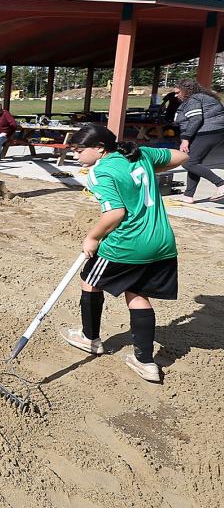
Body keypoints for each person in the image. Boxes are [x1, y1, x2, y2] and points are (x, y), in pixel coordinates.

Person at [61, 123, 188, 383]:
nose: (75, 155)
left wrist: (93, 237)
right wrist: (149, 171)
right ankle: (145, 363)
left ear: (99, 148)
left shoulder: (100, 173)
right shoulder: (140, 154)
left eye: (78, 150)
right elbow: (181, 156)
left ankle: (90, 338)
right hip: (161, 241)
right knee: (137, 293)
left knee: (90, 281)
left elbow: (115, 213)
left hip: (126, 244)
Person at [172, 79, 224, 203]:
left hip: (208, 132)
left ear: (186, 91)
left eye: (178, 92)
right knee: (194, 162)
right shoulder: (202, 97)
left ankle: (221, 184)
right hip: (215, 131)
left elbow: (195, 119)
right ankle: (188, 195)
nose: (176, 95)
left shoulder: (193, 99)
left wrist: (185, 139)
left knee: (188, 162)